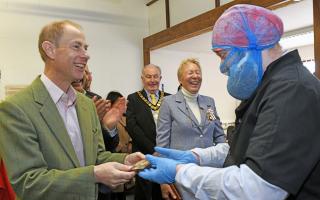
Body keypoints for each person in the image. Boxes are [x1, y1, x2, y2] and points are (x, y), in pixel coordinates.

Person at [138, 4, 320, 200]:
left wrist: (181, 172)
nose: (223, 67)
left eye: (224, 55)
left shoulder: (290, 90)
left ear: (250, 46)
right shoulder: (271, 87)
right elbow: (241, 147)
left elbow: (258, 188)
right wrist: (197, 156)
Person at [0, 20, 144, 200]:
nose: (86, 55)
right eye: (76, 47)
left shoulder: (86, 105)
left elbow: (96, 157)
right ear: (50, 49)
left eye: (86, 48)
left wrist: (124, 160)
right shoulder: (16, 108)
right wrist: (94, 175)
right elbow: (28, 183)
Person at [156, 58, 225, 199]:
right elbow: (162, 144)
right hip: (182, 174)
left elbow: (219, 136)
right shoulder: (168, 103)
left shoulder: (209, 102)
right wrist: (163, 180)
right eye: (190, 72)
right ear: (180, 78)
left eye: (198, 72)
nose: (195, 76)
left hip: (210, 172)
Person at [126, 64, 170, 200]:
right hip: (143, 154)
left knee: (165, 189)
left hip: (166, 153)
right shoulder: (133, 98)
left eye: (155, 76)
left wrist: (162, 150)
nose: (152, 80)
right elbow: (133, 128)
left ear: (160, 78)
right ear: (142, 78)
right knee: (145, 192)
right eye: (148, 76)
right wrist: (153, 149)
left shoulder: (170, 98)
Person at [72, 65, 120, 153]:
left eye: (85, 71)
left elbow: (110, 146)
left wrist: (109, 128)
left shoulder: (98, 99)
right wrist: (91, 119)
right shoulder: (56, 100)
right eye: (76, 69)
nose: (80, 75)